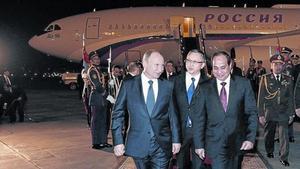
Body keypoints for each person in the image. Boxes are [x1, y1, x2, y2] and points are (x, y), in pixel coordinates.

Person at [112, 49, 181, 169]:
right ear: (145, 64)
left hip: (162, 144)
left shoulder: (167, 86)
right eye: (156, 65)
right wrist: (118, 141)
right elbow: (118, 113)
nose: (160, 69)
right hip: (138, 143)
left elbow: (173, 115)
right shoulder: (129, 85)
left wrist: (176, 139)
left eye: (162, 65)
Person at [193, 51, 258, 169]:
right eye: (215, 68)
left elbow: (251, 113)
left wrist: (250, 138)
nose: (219, 72)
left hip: (237, 142)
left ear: (230, 65)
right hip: (214, 142)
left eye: (223, 67)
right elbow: (199, 118)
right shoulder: (204, 87)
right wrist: (198, 144)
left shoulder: (243, 84)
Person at [173, 49, 208, 169]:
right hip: (180, 132)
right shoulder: (175, 81)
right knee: (181, 165)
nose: (190, 64)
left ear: (202, 64)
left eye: (195, 61)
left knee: (199, 166)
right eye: (188, 60)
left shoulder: (209, 83)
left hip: (201, 132)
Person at [257, 54, 294, 166]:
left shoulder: (288, 79)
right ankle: (269, 150)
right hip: (270, 110)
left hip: (283, 111)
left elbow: (290, 97)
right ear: (271, 66)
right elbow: (260, 98)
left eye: (280, 64)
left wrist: (291, 113)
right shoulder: (265, 78)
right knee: (269, 133)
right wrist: (261, 114)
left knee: (284, 136)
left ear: (283, 66)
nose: (278, 67)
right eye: (275, 64)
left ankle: (284, 157)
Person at [87, 51, 112, 149]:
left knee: (103, 121)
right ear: (91, 60)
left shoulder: (98, 69)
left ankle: (103, 141)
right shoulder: (92, 70)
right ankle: (96, 142)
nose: (97, 60)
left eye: (98, 58)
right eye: (95, 59)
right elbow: (97, 85)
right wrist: (107, 95)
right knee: (96, 121)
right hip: (97, 97)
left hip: (101, 98)